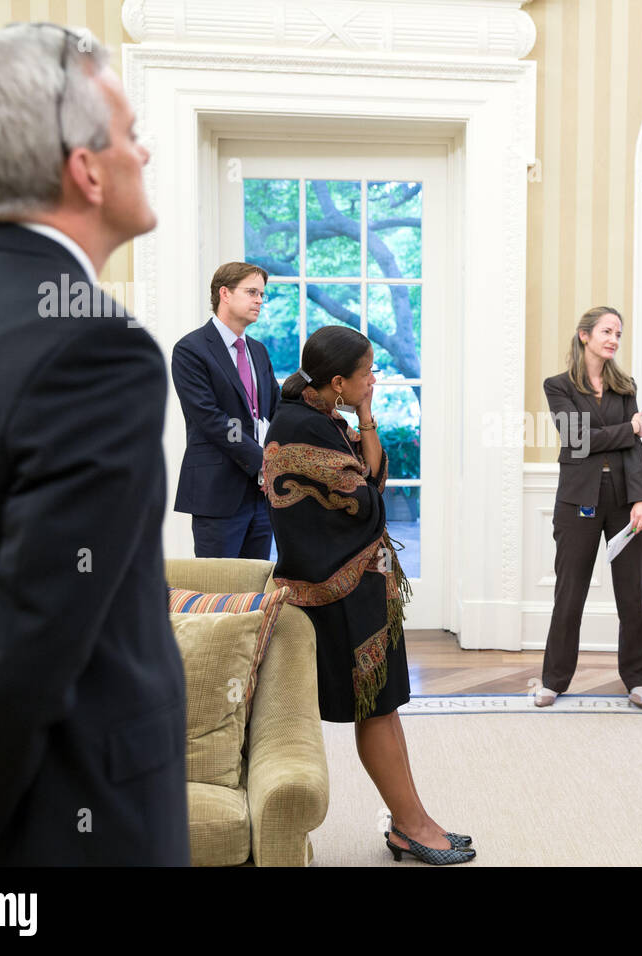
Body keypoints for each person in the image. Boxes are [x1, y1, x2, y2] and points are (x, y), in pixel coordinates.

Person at [0, 23, 188, 865]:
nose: (144, 155)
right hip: (60, 820)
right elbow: (30, 635)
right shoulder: (96, 346)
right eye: (131, 135)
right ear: (85, 169)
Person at [264, 325, 474, 864]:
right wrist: (359, 442)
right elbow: (369, 507)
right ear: (338, 380)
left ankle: (414, 823)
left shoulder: (325, 418)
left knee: (382, 708)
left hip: (360, 589)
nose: (374, 378)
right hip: (336, 597)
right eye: (367, 373)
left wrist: (363, 416)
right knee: (375, 710)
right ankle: (412, 827)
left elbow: (373, 481)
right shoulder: (300, 428)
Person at [536, 306, 642, 709]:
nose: (613, 339)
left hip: (624, 501)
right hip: (577, 500)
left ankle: (638, 680)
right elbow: (576, 438)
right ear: (584, 335)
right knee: (570, 595)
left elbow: (633, 450)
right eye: (606, 331)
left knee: (632, 596)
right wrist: (630, 428)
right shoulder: (558, 386)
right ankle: (553, 680)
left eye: (618, 333)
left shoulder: (625, 386)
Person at [172, 262, 282, 559]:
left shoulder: (258, 350)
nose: (260, 300)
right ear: (225, 293)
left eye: (261, 293)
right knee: (217, 592)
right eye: (251, 292)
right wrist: (264, 462)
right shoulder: (191, 349)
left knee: (253, 590)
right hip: (218, 492)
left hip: (261, 495)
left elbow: (276, 408)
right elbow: (210, 418)